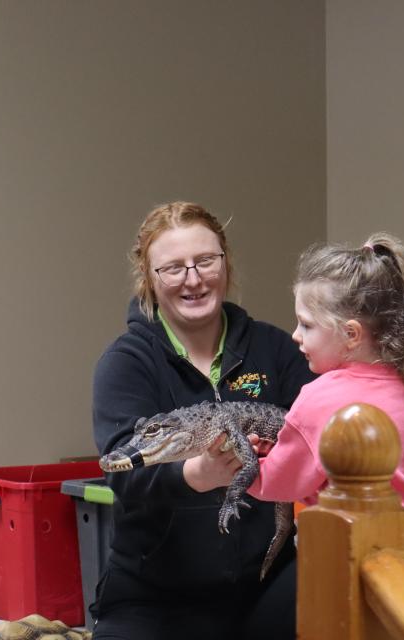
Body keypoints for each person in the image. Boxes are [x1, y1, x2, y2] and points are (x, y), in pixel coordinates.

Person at [90, 201, 315, 640]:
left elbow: (320, 433)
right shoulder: (125, 363)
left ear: (225, 263)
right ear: (149, 280)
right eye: (172, 268)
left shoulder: (278, 348)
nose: (192, 279)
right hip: (156, 591)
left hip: (266, 579)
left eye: (205, 261)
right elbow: (122, 477)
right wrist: (196, 475)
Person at [212, 233, 404, 584]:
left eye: (307, 324)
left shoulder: (322, 397)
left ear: (351, 334)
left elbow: (280, 483)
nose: (295, 335)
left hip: (356, 568)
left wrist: (242, 462)